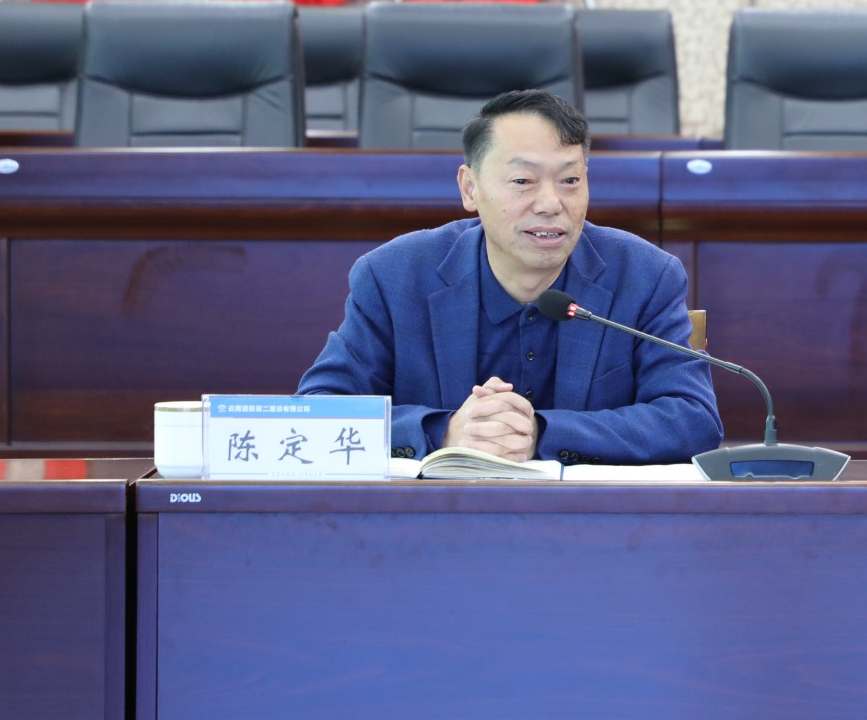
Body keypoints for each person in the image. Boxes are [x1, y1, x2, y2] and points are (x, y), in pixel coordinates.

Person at [300, 90, 722, 464]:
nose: (551, 203)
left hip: (587, 520)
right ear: (470, 188)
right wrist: (442, 432)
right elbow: (316, 413)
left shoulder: (645, 276)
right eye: (523, 180)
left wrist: (540, 432)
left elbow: (693, 419)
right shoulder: (394, 277)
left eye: (570, 180)